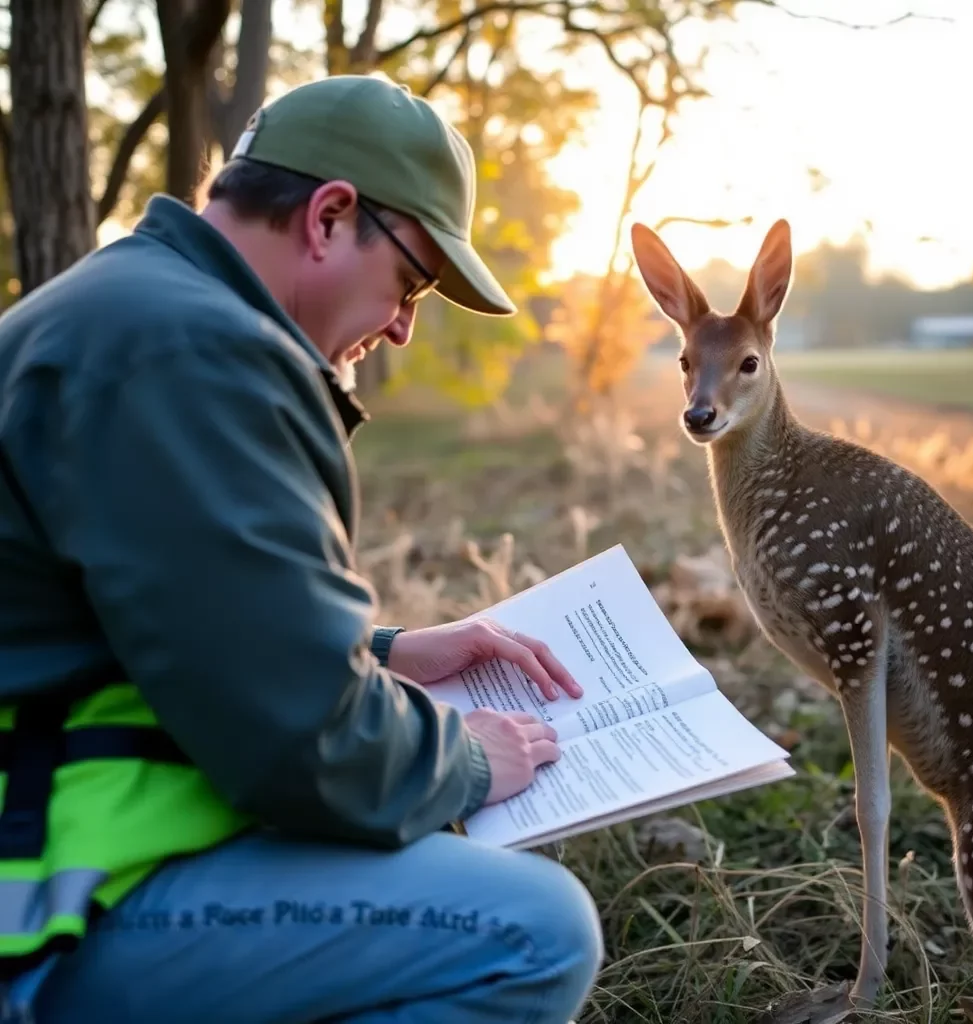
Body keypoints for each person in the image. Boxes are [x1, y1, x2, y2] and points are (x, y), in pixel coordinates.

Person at [0, 74, 604, 1023]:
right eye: (410, 283)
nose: (405, 324)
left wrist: (387, 652)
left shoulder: (135, 311)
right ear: (328, 217)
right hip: (43, 904)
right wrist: (469, 760)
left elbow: (160, 623)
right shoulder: (196, 352)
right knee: (532, 933)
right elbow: (306, 746)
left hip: (59, 841)